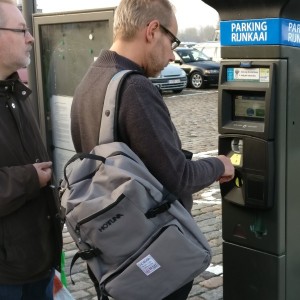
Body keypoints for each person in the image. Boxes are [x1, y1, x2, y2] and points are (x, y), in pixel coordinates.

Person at [71, 0, 234, 299]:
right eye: (172, 41)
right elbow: (178, 177)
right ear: (152, 30)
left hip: (114, 253)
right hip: (149, 254)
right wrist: (219, 164)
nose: (172, 54)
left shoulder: (89, 80)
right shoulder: (134, 89)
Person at [0, 1, 62, 299]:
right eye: (21, 29)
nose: (31, 37)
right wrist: (29, 178)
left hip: (38, 264)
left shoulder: (15, 93)